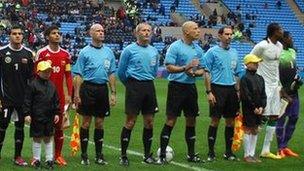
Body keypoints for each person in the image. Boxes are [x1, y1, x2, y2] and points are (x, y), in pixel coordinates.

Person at [156, 21, 205, 164]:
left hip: (191, 88)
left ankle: (191, 154)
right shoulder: (175, 47)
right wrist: (186, 68)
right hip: (176, 87)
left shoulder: (198, 49)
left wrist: (194, 74)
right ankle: (162, 156)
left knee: (192, 120)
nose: (198, 31)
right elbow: (169, 67)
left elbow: (202, 69)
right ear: (186, 32)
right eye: (195, 29)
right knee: (171, 120)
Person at [73, 24, 116, 165]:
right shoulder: (84, 52)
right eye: (98, 30)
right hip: (88, 89)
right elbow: (78, 74)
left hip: (102, 90)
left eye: (103, 30)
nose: (101, 33)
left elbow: (111, 73)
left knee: (99, 123)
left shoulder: (109, 52)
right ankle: (84, 155)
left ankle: (99, 155)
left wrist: (113, 93)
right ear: (91, 33)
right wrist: (77, 94)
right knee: (86, 122)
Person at [117, 23, 159, 166]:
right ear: (136, 33)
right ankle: (123, 155)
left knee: (149, 122)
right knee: (130, 121)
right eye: (143, 30)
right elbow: (121, 73)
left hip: (149, 86)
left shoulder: (154, 51)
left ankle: (147, 156)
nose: (147, 33)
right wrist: (130, 86)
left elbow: (154, 71)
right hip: (134, 86)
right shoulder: (129, 50)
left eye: (149, 30)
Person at [202, 26, 242, 162]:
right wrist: (209, 92)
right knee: (215, 120)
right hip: (217, 89)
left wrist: (238, 91)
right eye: (226, 34)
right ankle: (211, 152)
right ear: (220, 36)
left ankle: (228, 152)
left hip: (231, 90)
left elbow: (237, 73)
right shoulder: (212, 52)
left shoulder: (235, 52)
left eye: (231, 34)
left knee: (230, 121)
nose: (229, 37)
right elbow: (206, 72)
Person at [36, 25, 73, 166]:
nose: (57, 35)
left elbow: (68, 76)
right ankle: (38, 157)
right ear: (47, 36)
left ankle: (57, 155)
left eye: (58, 33)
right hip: (43, 97)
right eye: (53, 33)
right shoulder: (42, 53)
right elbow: (36, 74)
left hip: (59, 98)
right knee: (41, 127)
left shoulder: (66, 54)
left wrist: (69, 94)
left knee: (59, 128)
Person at [0, 25, 34, 166]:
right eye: (14, 33)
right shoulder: (2, 52)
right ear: (10, 35)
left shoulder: (28, 54)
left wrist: (30, 100)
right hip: (5, 98)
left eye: (20, 33)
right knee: (2, 127)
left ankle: (18, 156)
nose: (17, 36)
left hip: (22, 100)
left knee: (20, 128)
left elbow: (31, 79)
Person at [250, 22, 283, 159]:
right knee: (260, 117)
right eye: (280, 30)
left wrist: (279, 85)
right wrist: (252, 80)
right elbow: (249, 60)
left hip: (275, 86)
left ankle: (265, 150)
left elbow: (276, 67)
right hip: (263, 86)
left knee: (274, 116)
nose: (282, 32)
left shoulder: (280, 46)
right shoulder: (262, 45)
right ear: (274, 32)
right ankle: (251, 152)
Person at [23, 61, 60, 169]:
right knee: (37, 138)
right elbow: (27, 101)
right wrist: (27, 114)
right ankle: (36, 159)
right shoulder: (32, 85)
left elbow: (56, 100)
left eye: (49, 71)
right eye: (45, 71)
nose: (47, 73)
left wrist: (57, 113)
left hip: (49, 116)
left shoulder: (52, 85)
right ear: (38, 72)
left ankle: (49, 160)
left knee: (48, 137)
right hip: (37, 116)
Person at [276, 31, 302, 157]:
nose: (292, 39)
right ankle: (279, 148)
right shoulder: (277, 53)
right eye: (290, 37)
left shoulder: (292, 52)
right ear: (284, 39)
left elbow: (293, 71)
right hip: (281, 92)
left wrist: (298, 81)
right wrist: (282, 92)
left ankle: (285, 146)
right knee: (280, 119)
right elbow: (275, 74)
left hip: (294, 91)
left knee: (294, 117)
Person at [240, 54, 266, 163]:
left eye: (257, 62)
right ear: (248, 64)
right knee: (248, 129)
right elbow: (246, 95)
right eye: (254, 63)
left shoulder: (260, 78)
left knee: (255, 130)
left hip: (258, 109)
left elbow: (263, 94)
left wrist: (262, 106)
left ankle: (252, 154)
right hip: (249, 109)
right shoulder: (244, 78)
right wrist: (254, 107)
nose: (257, 64)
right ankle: (247, 155)